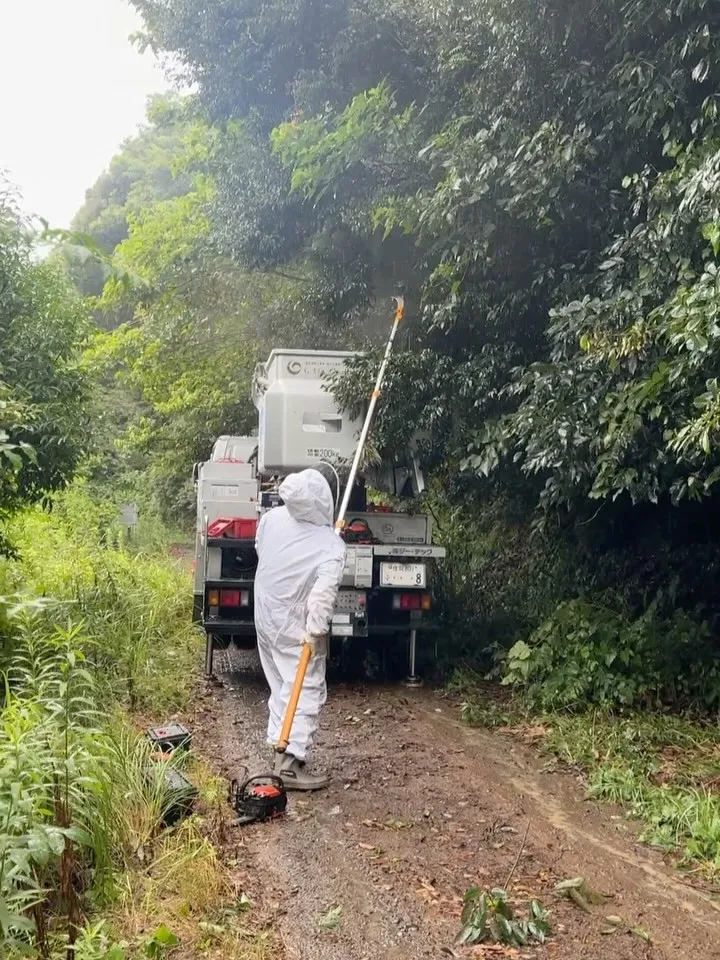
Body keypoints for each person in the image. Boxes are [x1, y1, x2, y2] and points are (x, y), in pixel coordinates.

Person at [254, 467, 346, 790]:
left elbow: (260, 549)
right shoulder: (331, 546)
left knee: (280, 681)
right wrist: (316, 633)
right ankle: (290, 764)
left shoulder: (271, 520)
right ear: (323, 501)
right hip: (294, 622)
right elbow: (322, 597)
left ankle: (279, 746)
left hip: (265, 614)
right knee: (305, 686)